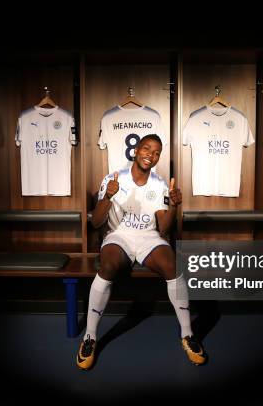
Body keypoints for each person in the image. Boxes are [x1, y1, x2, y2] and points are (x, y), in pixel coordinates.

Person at [76, 134, 206, 370]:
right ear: (136, 151)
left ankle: (188, 335)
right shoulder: (114, 178)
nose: (151, 155)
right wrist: (107, 196)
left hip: (149, 237)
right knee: (107, 267)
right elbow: (95, 222)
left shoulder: (160, 184)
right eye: (146, 149)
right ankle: (90, 337)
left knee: (172, 266)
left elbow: (164, 229)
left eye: (156, 152)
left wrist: (175, 207)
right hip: (119, 236)